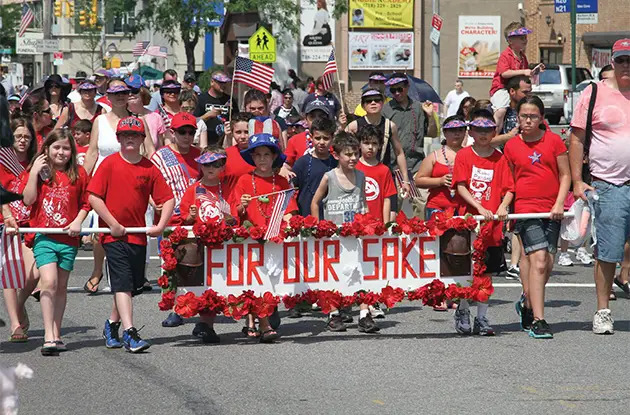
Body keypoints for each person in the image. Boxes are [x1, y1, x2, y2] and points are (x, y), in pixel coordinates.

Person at [87, 116, 174, 352]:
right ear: (118, 139)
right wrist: (112, 223)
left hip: (138, 235)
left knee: (128, 287)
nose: (129, 140)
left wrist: (160, 225)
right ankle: (130, 333)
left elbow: (167, 199)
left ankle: (111, 325)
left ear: (142, 139)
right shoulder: (110, 164)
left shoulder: (149, 167)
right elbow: (94, 196)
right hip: (114, 236)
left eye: (134, 136)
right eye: (125, 135)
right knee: (123, 284)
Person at [569, 38, 630, 335]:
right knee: (608, 252)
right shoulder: (594, 93)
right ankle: (603, 311)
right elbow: (577, 139)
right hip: (609, 184)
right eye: (622, 60)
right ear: (612, 63)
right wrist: (578, 181)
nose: (627, 65)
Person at [504, 96, 570, 339]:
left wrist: (560, 202)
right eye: (524, 116)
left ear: (542, 117)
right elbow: (509, 182)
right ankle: (539, 320)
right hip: (525, 209)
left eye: (533, 116)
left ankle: (528, 302)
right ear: (518, 118)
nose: (528, 121)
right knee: (539, 259)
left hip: (552, 209)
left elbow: (565, 175)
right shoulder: (511, 146)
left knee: (545, 263)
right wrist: (505, 206)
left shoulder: (553, 141)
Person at [22, 129, 91, 355]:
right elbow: (28, 199)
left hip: (68, 238)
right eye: (57, 147)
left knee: (61, 286)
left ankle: (57, 332)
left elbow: (86, 203)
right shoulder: (40, 172)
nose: (61, 152)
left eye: (66, 148)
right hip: (44, 236)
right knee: (49, 282)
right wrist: (33, 173)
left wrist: (78, 222)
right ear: (47, 150)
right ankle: (48, 335)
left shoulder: (79, 174)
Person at [452, 109, 514, 336]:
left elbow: (509, 189)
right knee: (465, 272)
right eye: (478, 130)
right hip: (469, 224)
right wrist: (479, 207)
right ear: (471, 132)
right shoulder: (464, 156)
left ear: (494, 132)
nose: (483, 134)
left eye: (488, 130)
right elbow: (460, 186)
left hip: (492, 228)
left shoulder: (500, 158)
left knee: (486, 274)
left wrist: (502, 206)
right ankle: (463, 310)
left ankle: (482, 317)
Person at [310, 132, 379, 333]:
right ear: (337, 155)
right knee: (335, 275)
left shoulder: (361, 176)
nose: (353, 158)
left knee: (361, 273)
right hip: (334, 236)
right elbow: (315, 201)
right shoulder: (329, 177)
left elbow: (363, 202)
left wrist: (367, 223)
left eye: (355, 154)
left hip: (356, 234)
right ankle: (333, 314)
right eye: (348, 154)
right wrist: (317, 226)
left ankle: (364, 314)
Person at [233, 133, 297, 343]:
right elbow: (236, 215)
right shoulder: (244, 180)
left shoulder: (281, 182)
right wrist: (241, 205)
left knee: (272, 281)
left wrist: (287, 226)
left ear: (274, 157)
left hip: (275, 240)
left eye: (266, 155)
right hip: (252, 240)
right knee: (257, 281)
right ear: (252, 157)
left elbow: (290, 211)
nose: (262, 159)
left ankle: (262, 319)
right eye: (258, 155)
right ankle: (264, 324)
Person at [177, 146, 233, 343]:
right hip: (200, 244)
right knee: (205, 284)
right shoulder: (193, 189)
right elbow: (182, 219)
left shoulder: (227, 188)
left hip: (223, 243)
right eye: (207, 164)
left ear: (222, 166)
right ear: (200, 165)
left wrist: (232, 216)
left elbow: (236, 217)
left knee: (219, 284)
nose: (211, 168)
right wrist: (189, 217)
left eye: (216, 164)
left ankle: (206, 324)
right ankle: (205, 323)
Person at [1, 118, 39, 343]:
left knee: (35, 272)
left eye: (26, 136)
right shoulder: (3, 160)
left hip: (31, 223)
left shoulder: (34, 162)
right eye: (18, 136)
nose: (23, 141)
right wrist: (6, 214)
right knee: (9, 273)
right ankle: (15, 324)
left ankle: (19, 303)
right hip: (5, 223)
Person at [382, 73, 438, 218]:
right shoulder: (386, 109)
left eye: (400, 89)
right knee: (396, 204)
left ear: (407, 87)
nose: (397, 93)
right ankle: (391, 235)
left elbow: (432, 133)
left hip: (416, 164)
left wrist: (430, 115)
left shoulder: (419, 108)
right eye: (393, 90)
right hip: (395, 166)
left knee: (420, 201)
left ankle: (419, 234)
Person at [346, 89, 411, 197]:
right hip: (359, 175)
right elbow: (344, 152)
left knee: (391, 212)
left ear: (383, 102)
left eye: (377, 100)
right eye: (368, 101)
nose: (373, 103)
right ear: (363, 105)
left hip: (384, 175)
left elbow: (399, 153)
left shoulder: (390, 126)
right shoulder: (354, 126)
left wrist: (405, 180)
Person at [415, 115, 467, 220]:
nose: (457, 133)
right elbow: (418, 181)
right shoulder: (434, 156)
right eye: (452, 130)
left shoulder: (469, 154)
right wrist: (440, 181)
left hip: (462, 208)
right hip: (437, 207)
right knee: (438, 236)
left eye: (460, 130)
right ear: (445, 133)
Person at [490, 22, 539, 133]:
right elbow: (504, 73)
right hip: (501, 88)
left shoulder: (522, 57)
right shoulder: (506, 55)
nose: (525, 40)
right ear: (510, 41)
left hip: (516, 89)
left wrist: (533, 71)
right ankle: (494, 134)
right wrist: (523, 71)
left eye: (525, 37)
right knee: (501, 110)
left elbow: (524, 75)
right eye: (521, 38)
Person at [293, 117, 337, 217]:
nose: (321, 142)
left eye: (326, 138)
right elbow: (291, 191)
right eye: (317, 138)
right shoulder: (302, 163)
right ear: (311, 137)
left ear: (332, 138)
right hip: (306, 219)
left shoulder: (336, 164)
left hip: (331, 218)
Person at [194, 71, 237, 146]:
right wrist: (207, 116)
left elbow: (236, 119)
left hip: (224, 143)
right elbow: (194, 122)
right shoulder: (200, 99)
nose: (223, 85)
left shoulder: (230, 100)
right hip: (205, 142)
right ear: (212, 82)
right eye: (220, 82)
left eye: (225, 82)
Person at [125, 74, 166, 150]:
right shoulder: (121, 116)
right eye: (127, 91)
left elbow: (160, 149)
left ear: (143, 92)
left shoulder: (156, 118)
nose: (130, 94)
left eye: (134, 90)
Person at [284, 99, 329, 166]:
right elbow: (287, 165)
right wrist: (284, 170)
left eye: (321, 116)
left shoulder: (333, 140)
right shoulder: (294, 140)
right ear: (306, 119)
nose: (317, 119)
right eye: (312, 116)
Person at [222, 112, 255, 188]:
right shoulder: (226, 155)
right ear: (232, 133)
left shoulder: (262, 155)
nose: (243, 136)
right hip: (231, 198)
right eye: (238, 132)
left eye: (247, 132)